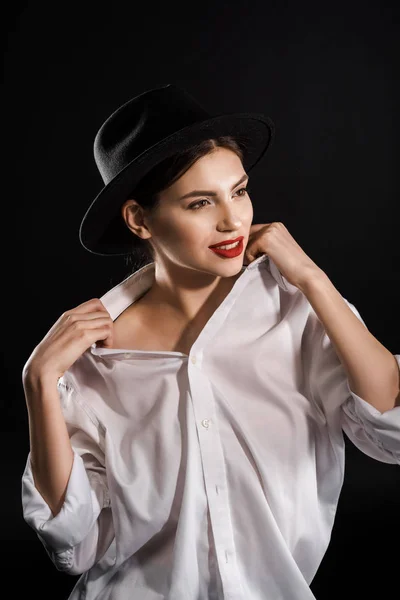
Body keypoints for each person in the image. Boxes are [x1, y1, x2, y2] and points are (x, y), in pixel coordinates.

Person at [21, 84, 400, 600]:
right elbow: (76, 544)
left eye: (239, 191)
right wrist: (39, 382)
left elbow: (391, 428)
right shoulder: (89, 359)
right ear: (138, 219)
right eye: (200, 202)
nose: (233, 220)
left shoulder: (294, 310)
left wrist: (313, 279)